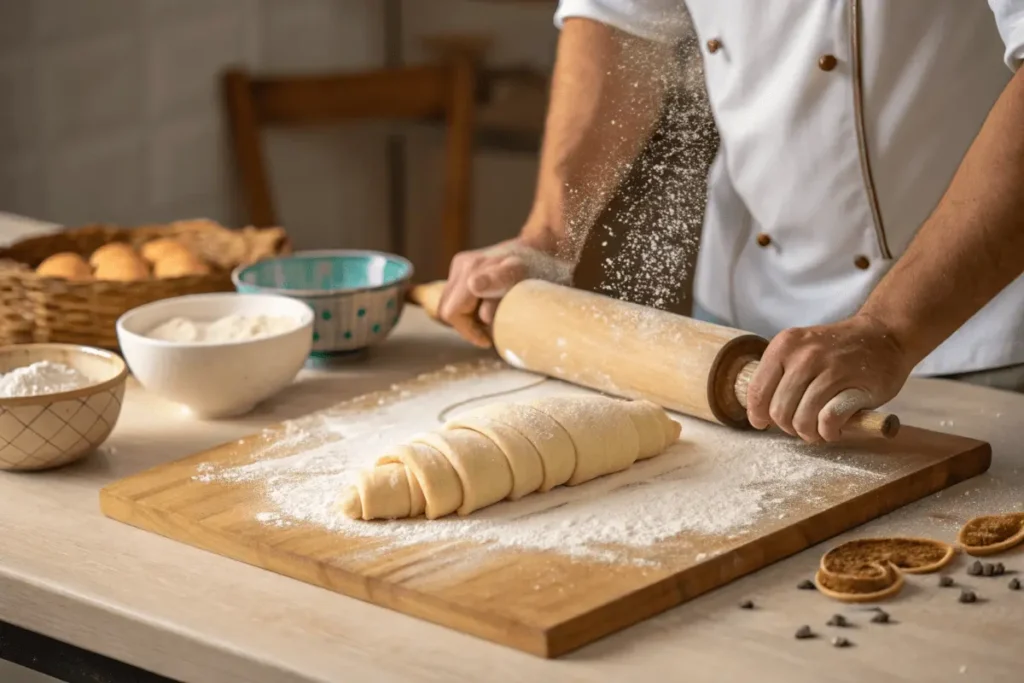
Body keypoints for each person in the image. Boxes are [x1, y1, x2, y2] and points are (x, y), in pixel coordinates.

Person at [436, 1, 1024, 444]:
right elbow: (616, 20)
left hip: (969, 329)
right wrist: (548, 238)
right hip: (739, 330)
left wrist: (892, 329)